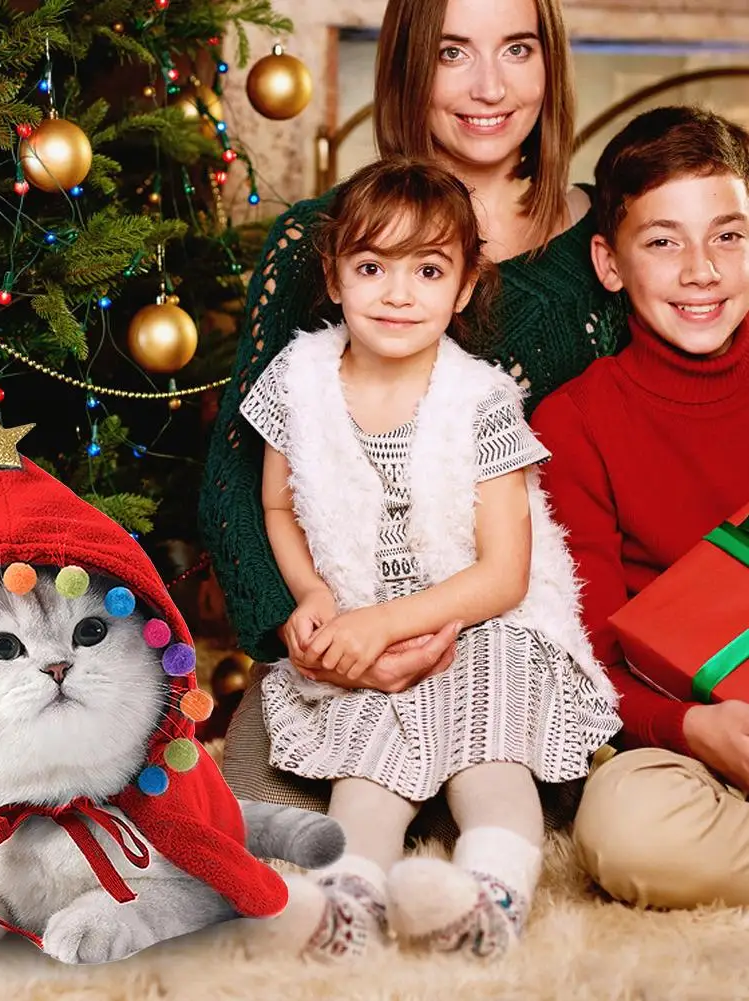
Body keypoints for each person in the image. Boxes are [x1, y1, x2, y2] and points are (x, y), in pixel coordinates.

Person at [199, 0, 629, 813]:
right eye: (451, 53)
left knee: (508, 816)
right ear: (406, 62)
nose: (489, 86)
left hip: (517, 640)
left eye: (517, 50)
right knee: (263, 831)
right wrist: (309, 628)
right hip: (342, 636)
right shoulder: (321, 238)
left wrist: (455, 621)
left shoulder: (609, 244)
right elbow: (237, 481)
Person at [239, 156, 620, 961]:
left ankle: (488, 897)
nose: (397, 293)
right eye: (370, 267)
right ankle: (345, 904)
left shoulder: (480, 400)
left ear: (465, 285)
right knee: (365, 774)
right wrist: (310, 593)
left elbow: (503, 574)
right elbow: (278, 505)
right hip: (360, 619)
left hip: (484, 622)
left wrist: (385, 623)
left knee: (489, 763)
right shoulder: (298, 380)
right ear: (334, 277)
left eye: (428, 270)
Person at [530, 105, 749, 910]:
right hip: (688, 742)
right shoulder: (573, 422)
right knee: (625, 830)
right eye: (662, 241)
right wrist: (692, 729)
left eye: (728, 235)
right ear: (609, 262)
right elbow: (590, 662)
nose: (701, 271)